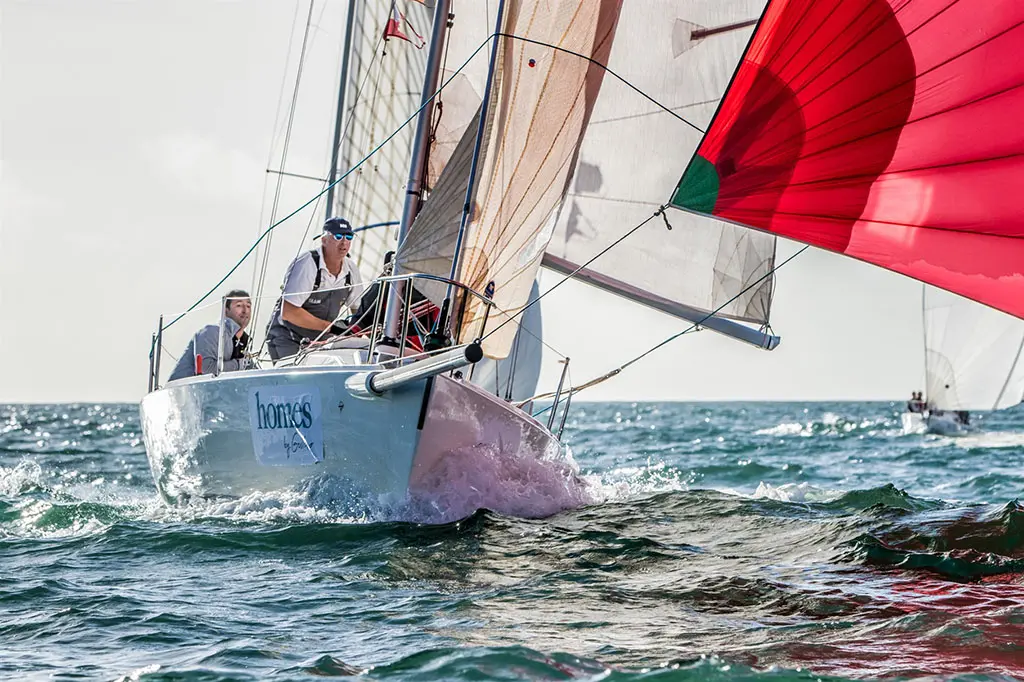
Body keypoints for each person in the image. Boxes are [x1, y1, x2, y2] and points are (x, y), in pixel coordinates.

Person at [266, 217, 367, 362]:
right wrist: (331, 328)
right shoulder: (307, 263)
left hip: (320, 340)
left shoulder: (351, 270)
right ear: (324, 240)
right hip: (287, 337)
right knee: (296, 380)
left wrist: (364, 333)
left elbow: (359, 310)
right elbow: (289, 312)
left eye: (348, 236)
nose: (344, 242)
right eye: (338, 236)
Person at [168, 290, 253, 381]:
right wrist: (241, 364)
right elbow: (207, 371)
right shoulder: (211, 332)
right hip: (184, 391)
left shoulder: (245, 340)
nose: (245, 310)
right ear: (226, 310)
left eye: (248, 306)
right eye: (239, 305)